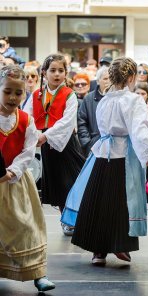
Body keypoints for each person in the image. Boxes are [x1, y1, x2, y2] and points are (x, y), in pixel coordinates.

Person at [70, 57, 148, 266]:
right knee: (122, 201)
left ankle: (98, 250)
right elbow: (138, 130)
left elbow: (102, 128)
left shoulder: (105, 99)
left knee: (99, 201)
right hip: (123, 155)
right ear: (131, 77)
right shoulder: (134, 100)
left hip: (102, 154)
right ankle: (120, 245)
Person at [0, 65, 55, 292]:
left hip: (15, 182)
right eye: (7, 91)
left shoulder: (26, 120)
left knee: (26, 226)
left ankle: (37, 273)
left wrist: (11, 172)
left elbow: (28, 150)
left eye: (18, 92)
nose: (13, 97)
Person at [23, 53, 85, 236]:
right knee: (57, 185)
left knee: (74, 182)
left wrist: (46, 136)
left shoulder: (69, 94)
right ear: (44, 72)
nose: (57, 74)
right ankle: (66, 221)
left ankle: (79, 218)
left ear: (66, 73)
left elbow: (67, 122)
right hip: (46, 145)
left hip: (66, 143)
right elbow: (28, 118)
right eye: (52, 70)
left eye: (61, 70)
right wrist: (35, 136)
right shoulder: (36, 95)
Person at [77, 66, 110, 157]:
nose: (109, 81)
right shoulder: (89, 99)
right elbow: (81, 122)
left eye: (111, 78)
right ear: (98, 81)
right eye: (105, 79)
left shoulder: (115, 98)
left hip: (113, 146)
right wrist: (87, 143)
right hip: (94, 144)